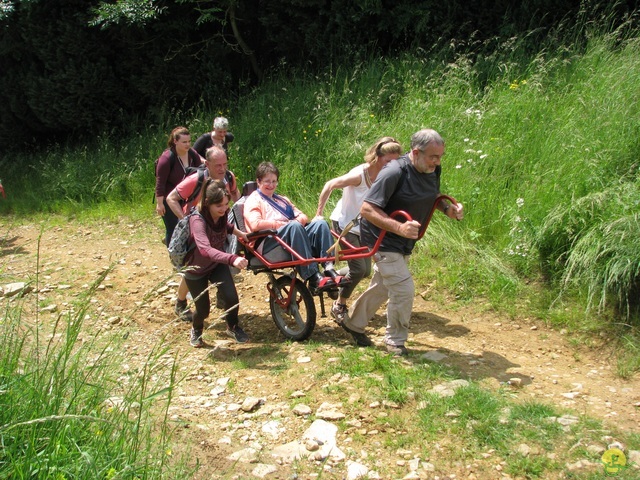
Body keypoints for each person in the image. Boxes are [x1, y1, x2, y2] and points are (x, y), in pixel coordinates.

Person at [339, 129, 464, 356]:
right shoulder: (394, 172)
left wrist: (448, 209)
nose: (437, 162)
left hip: (404, 238)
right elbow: (366, 209)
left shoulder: (432, 170)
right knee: (404, 289)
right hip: (381, 238)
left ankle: (353, 323)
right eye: (432, 157)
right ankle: (395, 341)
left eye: (440, 157)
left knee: (384, 285)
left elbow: (432, 196)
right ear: (415, 152)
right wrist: (399, 227)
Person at [315, 137, 403, 324]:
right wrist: (318, 214)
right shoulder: (360, 175)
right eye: (388, 161)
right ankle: (339, 304)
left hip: (363, 228)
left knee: (365, 271)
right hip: (344, 224)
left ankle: (330, 276)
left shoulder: (388, 175)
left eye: (396, 161)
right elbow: (330, 184)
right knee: (358, 269)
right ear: (377, 157)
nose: (392, 165)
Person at [166, 145, 241, 320]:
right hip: (197, 232)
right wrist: (188, 220)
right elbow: (171, 198)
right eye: (218, 165)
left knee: (223, 259)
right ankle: (181, 302)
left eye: (225, 164)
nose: (222, 169)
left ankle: (223, 299)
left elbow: (236, 196)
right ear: (207, 164)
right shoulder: (196, 180)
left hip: (219, 227)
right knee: (195, 268)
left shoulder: (229, 178)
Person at [243, 162, 343, 292]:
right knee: (294, 226)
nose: (271, 185)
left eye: (274, 181)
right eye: (267, 181)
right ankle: (312, 275)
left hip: (289, 235)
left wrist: (294, 222)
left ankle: (329, 267)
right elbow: (255, 224)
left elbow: (302, 216)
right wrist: (282, 224)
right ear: (258, 181)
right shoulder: (254, 200)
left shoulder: (282, 199)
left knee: (321, 224)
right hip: (267, 242)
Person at [183, 178, 250, 347]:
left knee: (231, 297)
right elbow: (205, 249)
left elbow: (225, 226)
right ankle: (197, 330)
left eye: (226, 204)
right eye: (219, 206)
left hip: (215, 265)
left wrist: (241, 234)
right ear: (207, 203)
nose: (224, 209)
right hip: (195, 269)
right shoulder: (197, 220)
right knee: (203, 310)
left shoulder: (221, 214)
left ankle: (233, 326)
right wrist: (232, 258)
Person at [155, 126, 203, 246]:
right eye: (184, 142)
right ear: (175, 141)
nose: (187, 145)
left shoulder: (192, 153)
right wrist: (160, 204)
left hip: (186, 196)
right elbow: (160, 183)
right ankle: (173, 252)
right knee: (172, 226)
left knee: (189, 223)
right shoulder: (166, 159)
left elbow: (201, 171)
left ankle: (183, 248)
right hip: (169, 198)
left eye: (189, 141)